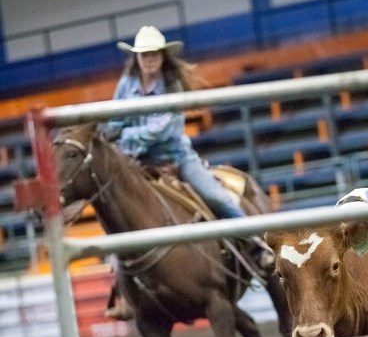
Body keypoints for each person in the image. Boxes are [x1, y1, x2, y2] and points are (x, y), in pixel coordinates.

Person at [104, 26, 267, 318]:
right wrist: (117, 133)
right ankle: (123, 288)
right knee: (116, 207)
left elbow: (161, 129)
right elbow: (114, 121)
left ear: (162, 56)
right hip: (135, 162)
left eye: (153, 54)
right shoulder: (126, 84)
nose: (149, 59)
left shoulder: (171, 85)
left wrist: (126, 135)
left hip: (175, 158)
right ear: (137, 58)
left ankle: (256, 245)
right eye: (144, 54)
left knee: (215, 196)